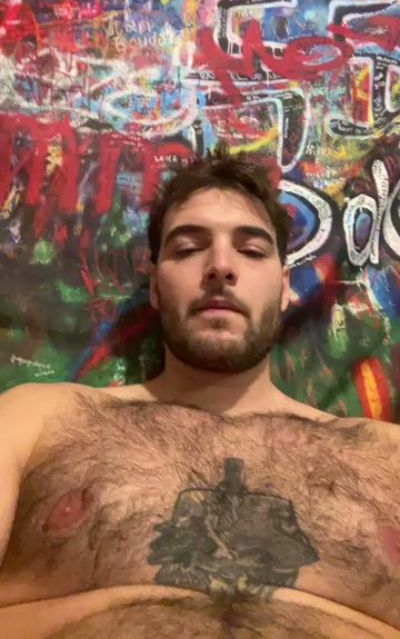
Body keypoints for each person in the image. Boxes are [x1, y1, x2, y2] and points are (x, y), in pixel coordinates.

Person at [0, 148, 400, 639]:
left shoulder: (387, 455)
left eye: (252, 251)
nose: (221, 267)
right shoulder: (36, 420)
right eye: (188, 248)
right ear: (154, 287)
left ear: (283, 290)